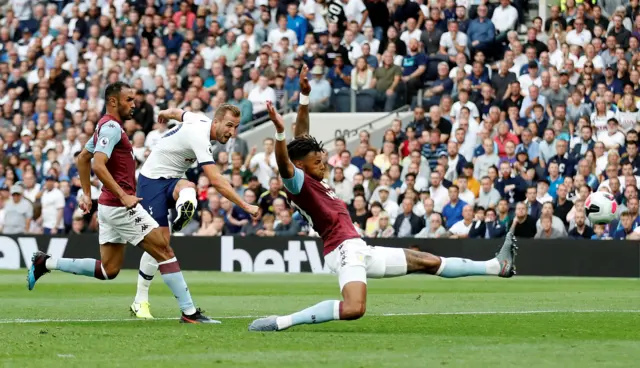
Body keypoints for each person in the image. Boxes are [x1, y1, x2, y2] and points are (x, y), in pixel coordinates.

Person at [247, 71, 518, 332]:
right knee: (354, 308)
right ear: (300, 165)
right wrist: (280, 133)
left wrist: (304, 98)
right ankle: (281, 322)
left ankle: (495, 266)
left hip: (359, 248)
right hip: (343, 250)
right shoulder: (298, 183)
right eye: (317, 162)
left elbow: (301, 137)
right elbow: (284, 162)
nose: (323, 165)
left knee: (427, 261)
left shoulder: (312, 177)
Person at [26, 82, 215, 324]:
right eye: (129, 100)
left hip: (108, 206)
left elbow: (83, 158)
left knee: (109, 269)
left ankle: (46, 262)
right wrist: (123, 196)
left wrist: (86, 193)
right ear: (113, 101)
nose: (134, 104)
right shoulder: (112, 128)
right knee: (164, 249)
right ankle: (189, 313)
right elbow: (96, 164)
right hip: (120, 206)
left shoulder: (104, 126)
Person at [129, 103, 259, 319]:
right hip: (151, 181)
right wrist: (245, 205)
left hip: (172, 179)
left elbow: (178, 113)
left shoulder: (198, 119)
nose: (232, 132)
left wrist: (164, 113)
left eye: (236, 127)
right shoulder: (200, 136)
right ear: (215, 122)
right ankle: (140, 300)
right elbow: (216, 180)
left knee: (189, 189)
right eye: (229, 125)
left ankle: (182, 214)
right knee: (160, 244)